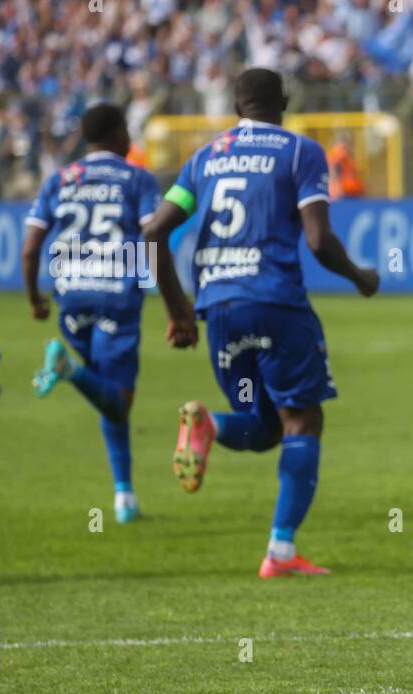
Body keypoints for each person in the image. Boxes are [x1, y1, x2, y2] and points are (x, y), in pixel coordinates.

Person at [141, 68, 380, 577]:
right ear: (285, 102)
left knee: (264, 424)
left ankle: (207, 425)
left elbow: (154, 230)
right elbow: (317, 240)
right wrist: (360, 276)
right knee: (303, 421)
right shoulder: (300, 153)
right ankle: (281, 551)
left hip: (220, 309)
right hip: (276, 303)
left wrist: (178, 311)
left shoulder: (204, 160)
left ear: (235, 106)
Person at [24, 104, 193, 524]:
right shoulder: (136, 179)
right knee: (118, 401)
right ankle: (67, 370)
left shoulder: (60, 179)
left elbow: (30, 248)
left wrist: (34, 299)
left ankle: (124, 497)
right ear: (120, 135)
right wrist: (177, 309)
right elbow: (153, 238)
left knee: (110, 396)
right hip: (116, 294)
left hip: (71, 298)